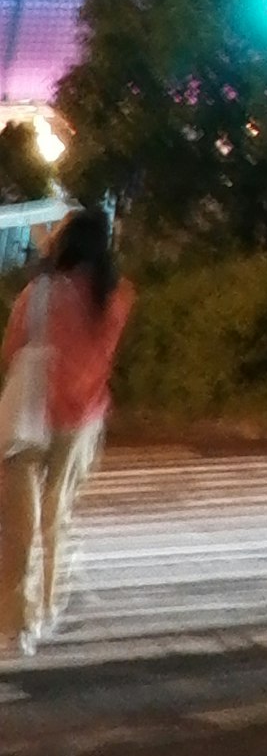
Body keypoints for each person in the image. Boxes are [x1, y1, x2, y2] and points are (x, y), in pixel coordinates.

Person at [1, 204, 130, 657]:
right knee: (57, 513)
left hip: (29, 417)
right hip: (81, 420)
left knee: (21, 520)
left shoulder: (37, 294)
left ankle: (19, 622)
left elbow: (12, 351)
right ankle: (51, 603)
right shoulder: (114, 300)